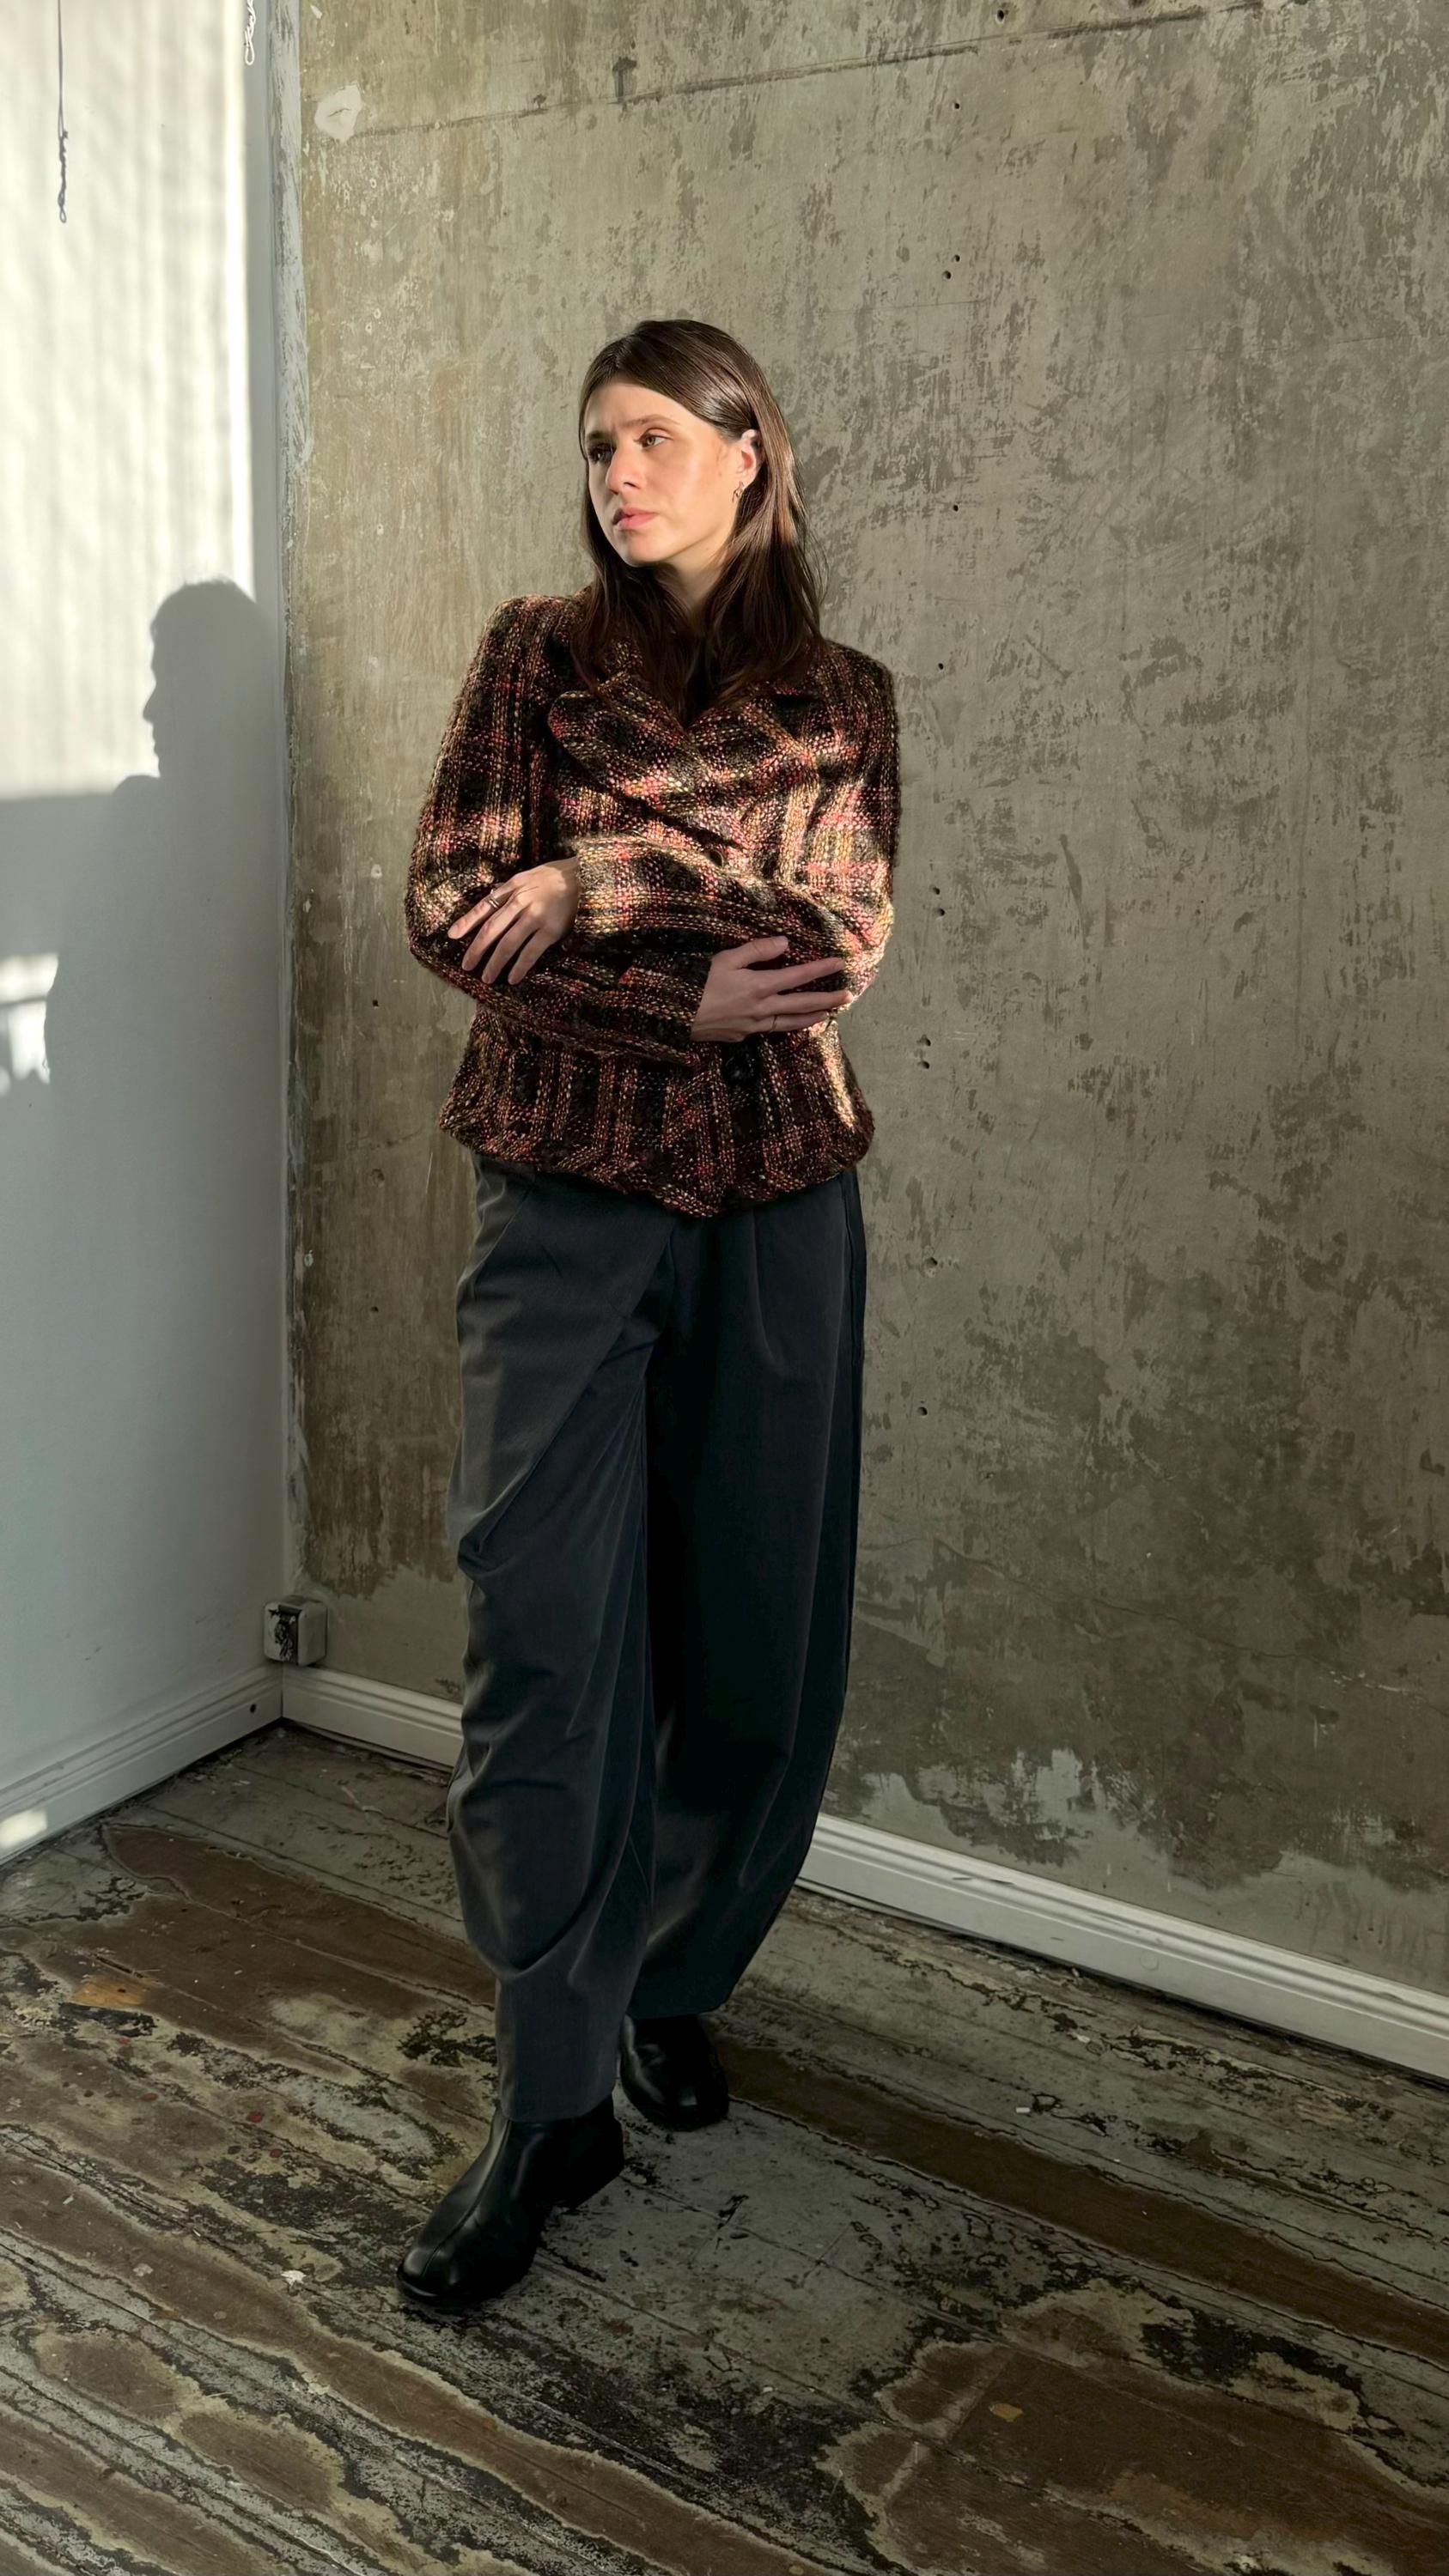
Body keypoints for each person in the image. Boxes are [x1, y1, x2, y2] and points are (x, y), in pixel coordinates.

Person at [396, 316, 901, 2312]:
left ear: (746, 449)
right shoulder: (533, 657)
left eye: (648, 439)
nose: (614, 474)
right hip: (561, 1195)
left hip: (781, 1195)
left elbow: (830, 941)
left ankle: (678, 1976)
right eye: (593, 444)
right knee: (538, 1634)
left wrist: (591, 893)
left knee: (757, 1626)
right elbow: (449, 901)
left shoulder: (843, 695)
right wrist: (665, 976)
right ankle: (545, 2099)